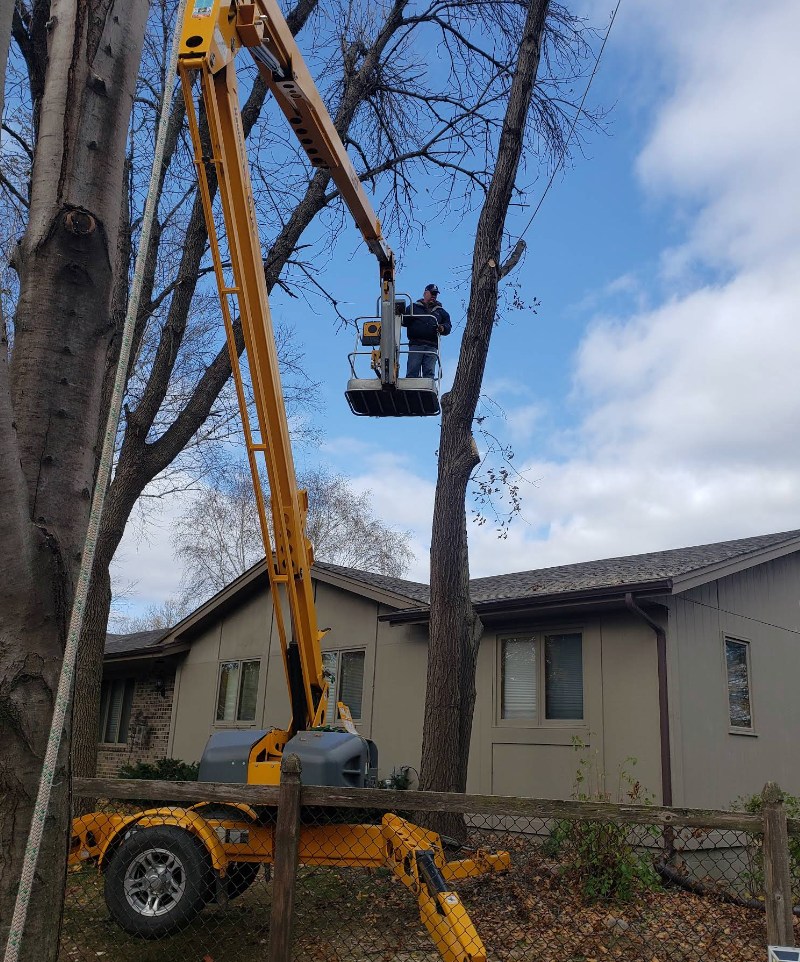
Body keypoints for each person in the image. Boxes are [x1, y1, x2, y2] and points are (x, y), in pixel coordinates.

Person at [402, 283, 451, 378]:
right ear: (425, 293)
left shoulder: (441, 312)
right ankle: (411, 387)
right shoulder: (413, 308)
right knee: (412, 371)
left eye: (435, 294)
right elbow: (402, 320)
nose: (434, 296)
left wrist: (442, 328)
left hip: (432, 346)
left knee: (429, 373)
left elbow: (448, 326)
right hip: (416, 345)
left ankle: (427, 387)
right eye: (432, 293)